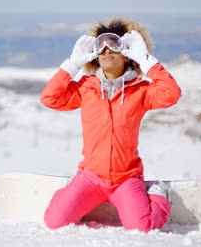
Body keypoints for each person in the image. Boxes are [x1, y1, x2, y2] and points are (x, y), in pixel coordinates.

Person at [40, 17, 181, 232]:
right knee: (54, 221)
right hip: (90, 178)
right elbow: (50, 98)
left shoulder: (140, 90)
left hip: (126, 179)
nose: (107, 51)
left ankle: (156, 192)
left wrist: (146, 60)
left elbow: (171, 94)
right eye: (101, 46)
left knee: (143, 227)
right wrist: (72, 64)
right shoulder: (86, 87)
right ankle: (72, 193)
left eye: (114, 45)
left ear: (127, 54)